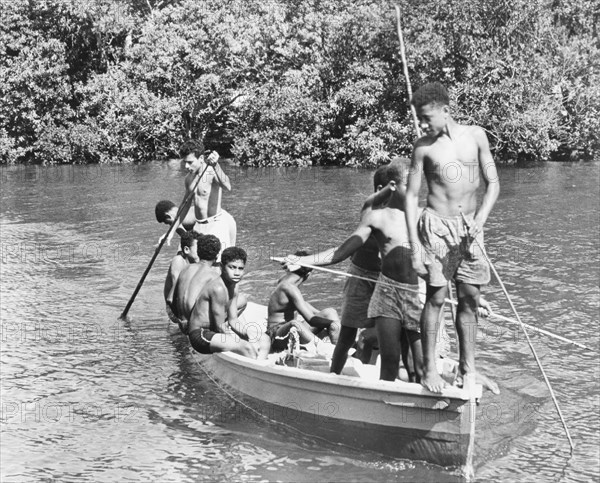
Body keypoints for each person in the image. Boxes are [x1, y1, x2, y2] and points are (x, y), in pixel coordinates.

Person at [405, 82, 500, 393]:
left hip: (471, 228)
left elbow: (494, 183)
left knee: (469, 299)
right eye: (418, 118)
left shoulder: (476, 137)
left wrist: (480, 220)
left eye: (426, 117)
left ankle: (467, 370)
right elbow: (410, 197)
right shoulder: (423, 147)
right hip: (435, 228)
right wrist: (416, 249)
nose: (421, 124)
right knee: (435, 297)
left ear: (445, 111)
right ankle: (429, 369)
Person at [293, 159, 424, 382]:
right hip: (361, 275)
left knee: (403, 340)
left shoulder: (412, 214)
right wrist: (306, 260)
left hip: (391, 282)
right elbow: (341, 251)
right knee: (348, 330)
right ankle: (334, 375)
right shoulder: (372, 214)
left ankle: (406, 380)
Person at [187, 247, 270, 359]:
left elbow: (233, 320)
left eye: (240, 269)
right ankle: (254, 365)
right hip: (200, 335)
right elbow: (220, 326)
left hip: (215, 331)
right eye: (232, 267)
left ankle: (260, 367)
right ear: (222, 267)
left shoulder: (234, 287)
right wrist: (241, 342)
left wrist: (247, 334)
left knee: (264, 339)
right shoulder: (218, 288)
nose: (236, 273)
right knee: (247, 347)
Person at [166, 140, 236, 257]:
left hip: (216, 224)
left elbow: (227, 186)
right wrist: (172, 231)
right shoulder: (188, 179)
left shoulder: (211, 172)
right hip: (198, 226)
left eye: (190, 162)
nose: (186, 166)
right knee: (192, 262)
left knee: (218, 266)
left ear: (201, 158)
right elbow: (185, 205)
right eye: (184, 162)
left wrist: (216, 165)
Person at [267, 251, 341, 353]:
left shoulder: (286, 281)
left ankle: (339, 350)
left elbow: (309, 309)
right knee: (295, 324)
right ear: (308, 274)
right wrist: (332, 324)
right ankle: (324, 348)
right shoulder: (289, 287)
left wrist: (336, 324)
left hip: (288, 330)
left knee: (330, 312)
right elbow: (311, 319)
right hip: (276, 335)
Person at [171, 234, 222, 333]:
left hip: (182, 323)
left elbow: (170, 299)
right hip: (197, 327)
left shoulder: (185, 269)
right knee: (241, 301)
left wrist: (181, 320)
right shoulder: (213, 275)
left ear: (198, 252)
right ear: (217, 255)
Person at [164, 230, 200, 314]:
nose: (200, 252)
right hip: (174, 307)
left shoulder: (196, 262)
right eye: (198, 249)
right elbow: (177, 293)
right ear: (187, 249)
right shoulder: (178, 261)